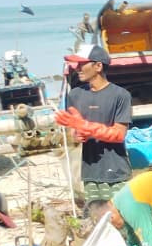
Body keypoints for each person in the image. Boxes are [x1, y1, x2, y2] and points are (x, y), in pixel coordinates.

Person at [54, 44, 133, 204]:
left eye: (82, 64)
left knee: (121, 218)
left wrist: (85, 127)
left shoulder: (120, 95)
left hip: (116, 172)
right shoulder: (75, 94)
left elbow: (119, 135)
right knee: (96, 218)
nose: (78, 68)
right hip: (89, 172)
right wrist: (77, 135)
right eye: (77, 64)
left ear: (98, 66)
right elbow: (72, 135)